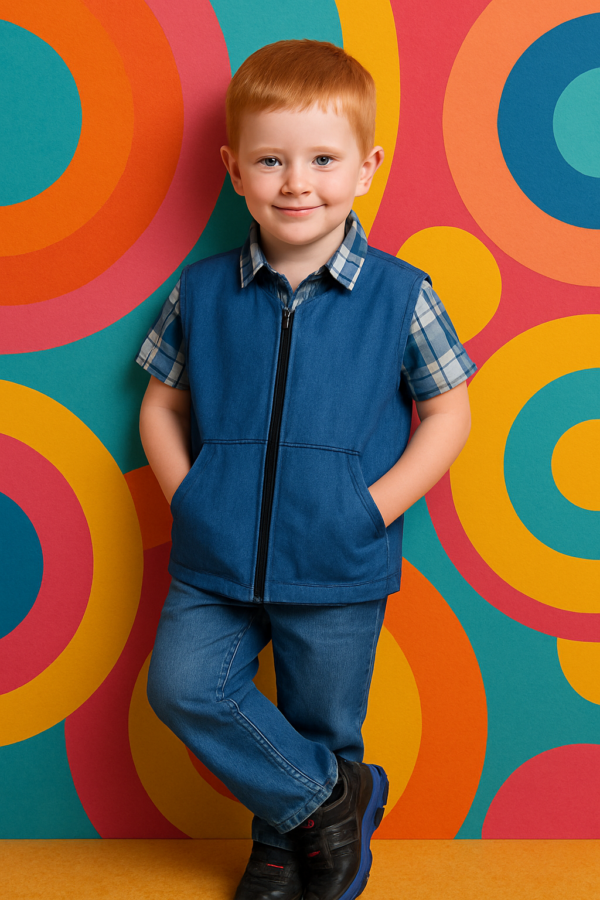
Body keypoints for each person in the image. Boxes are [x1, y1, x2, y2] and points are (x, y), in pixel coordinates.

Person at [136, 39, 476, 900]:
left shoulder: (402, 293)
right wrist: (193, 493)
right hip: (215, 557)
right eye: (271, 160)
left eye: (323, 160)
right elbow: (162, 406)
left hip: (339, 556)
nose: (297, 181)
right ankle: (334, 802)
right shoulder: (202, 290)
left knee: (321, 720)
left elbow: (449, 411)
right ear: (235, 169)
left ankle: (289, 849)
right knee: (183, 686)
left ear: (365, 168)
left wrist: (372, 508)